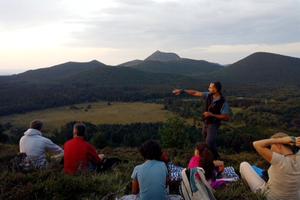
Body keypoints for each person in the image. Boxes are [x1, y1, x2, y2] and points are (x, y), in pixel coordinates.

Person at [173, 82, 230, 159]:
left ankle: (210, 159)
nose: (208, 89)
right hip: (205, 123)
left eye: (210, 87)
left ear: (216, 89)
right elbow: (195, 92)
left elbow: (226, 117)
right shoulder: (208, 95)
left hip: (213, 124)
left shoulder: (223, 102)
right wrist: (182, 91)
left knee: (209, 142)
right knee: (208, 142)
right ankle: (215, 157)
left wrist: (212, 115)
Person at [240, 133, 300, 200]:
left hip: (270, 197)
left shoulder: (279, 160)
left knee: (244, 165)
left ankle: (245, 188)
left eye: (271, 146)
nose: (271, 149)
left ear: (279, 145)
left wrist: (281, 140)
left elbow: (256, 144)